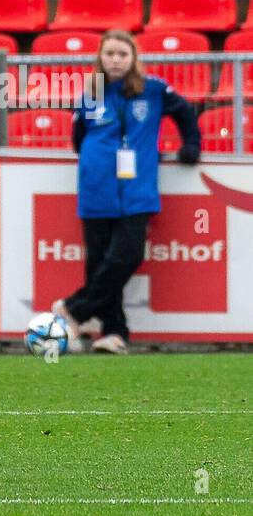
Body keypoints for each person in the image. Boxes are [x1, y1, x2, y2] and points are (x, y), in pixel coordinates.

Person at [54, 29, 201, 354]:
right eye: (110, 54)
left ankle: (74, 309)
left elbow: (186, 113)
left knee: (127, 255)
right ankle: (114, 332)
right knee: (98, 261)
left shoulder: (154, 89)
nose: (116, 60)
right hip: (96, 186)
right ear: (101, 57)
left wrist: (191, 144)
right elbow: (79, 136)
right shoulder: (91, 91)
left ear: (134, 58)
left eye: (123, 54)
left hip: (138, 188)